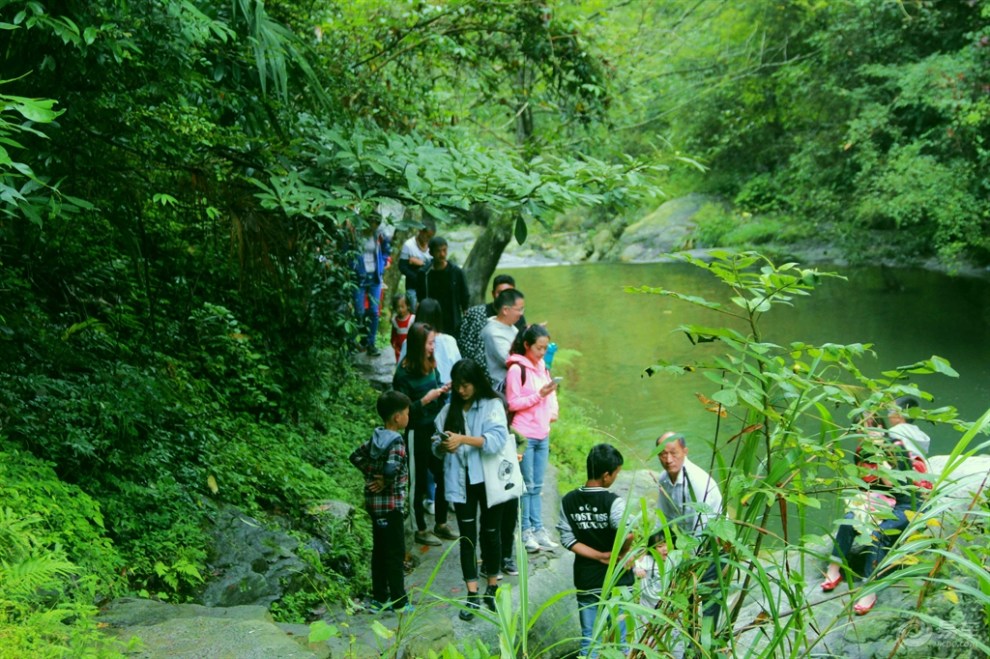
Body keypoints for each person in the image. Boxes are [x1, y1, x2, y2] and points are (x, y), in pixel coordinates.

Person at [433, 358, 511, 620]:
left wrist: (462, 439)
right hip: (461, 483)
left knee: (491, 533)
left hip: (489, 481)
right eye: (457, 386)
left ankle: (492, 585)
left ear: (476, 383)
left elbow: (496, 440)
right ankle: (472, 593)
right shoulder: (448, 410)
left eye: (466, 385)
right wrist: (443, 445)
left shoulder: (491, 405)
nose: (461, 391)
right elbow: (435, 444)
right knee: (467, 539)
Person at [821, 419, 919, 615]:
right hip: (879, 500)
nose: (869, 432)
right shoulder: (862, 450)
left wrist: (879, 457)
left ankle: (869, 587)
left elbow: (892, 484)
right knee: (849, 519)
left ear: (881, 427)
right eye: (862, 429)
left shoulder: (895, 448)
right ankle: (834, 569)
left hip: (904, 503)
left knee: (878, 532)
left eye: (872, 427)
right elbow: (864, 484)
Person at [558, 443, 634, 658]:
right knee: (621, 641)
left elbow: (568, 539)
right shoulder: (613, 502)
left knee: (589, 638)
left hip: (586, 579)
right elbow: (627, 534)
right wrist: (622, 553)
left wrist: (599, 556)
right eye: (617, 473)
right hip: (617, 580)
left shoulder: (568, 500)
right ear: (606, 475)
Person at [348, 390, 412, 612]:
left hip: (375, 507)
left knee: (379, 552)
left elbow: (354, 456)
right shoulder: (396, 441)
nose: (408, 416)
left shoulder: (376, 437)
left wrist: (369, 472)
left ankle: (379, 598)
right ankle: (399, 601)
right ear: (397, 417)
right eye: (406, 412)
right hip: (391, 506)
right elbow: (391, 468)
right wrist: (385, 480)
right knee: (395, 552)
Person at [654, 432, 724, 628]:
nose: (668, 459)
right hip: (685, 545)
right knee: (688, 601)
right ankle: (692, 642)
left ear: (685, 451)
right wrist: (660, 544)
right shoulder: (664, 479)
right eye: (663, 454)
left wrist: (684, 557)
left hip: (709, 545)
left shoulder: (697, 482)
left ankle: (707, 644)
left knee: (709, 599)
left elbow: (699, 526)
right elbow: (664, 518)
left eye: (674, 453)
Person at [393, 323, 454, 546]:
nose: (433, 347)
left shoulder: (431, 363)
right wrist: (425, 400)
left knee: (442, 475)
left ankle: (441, 522)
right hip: (416, 432)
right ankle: (419, 528)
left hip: (434, 430)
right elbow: (403, 412)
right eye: (430, 343)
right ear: (419, 345)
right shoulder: (403, 374)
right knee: (418, 482)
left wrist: (442, 390)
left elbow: (435, 385)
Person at [506, 323, 559, 553]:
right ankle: (525, 530)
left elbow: (551, 394)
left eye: (545, 348)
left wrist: (552, 411)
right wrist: (539, 395)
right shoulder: (518, 369)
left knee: (538, 486)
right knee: (526, 486)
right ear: (527, 345)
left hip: (542, 433)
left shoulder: (542, 368)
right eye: (539, 348)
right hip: (524, 434)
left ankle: (539, 529)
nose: (542, 353)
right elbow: (513, 403)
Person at [458, 274, 528, 373]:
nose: (504, 297)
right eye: (500, 293)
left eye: (509, 293)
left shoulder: (518, 318)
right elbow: (464, 347)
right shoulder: (476, 314)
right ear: (493, 293)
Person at [350, 217, 390, 356]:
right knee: (358, 311)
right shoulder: (355, 234)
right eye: (372, 223)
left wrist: (383, 264)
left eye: (376, 224)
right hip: (359, 276)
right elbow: (346, 252)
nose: (373, 226)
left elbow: (386, 250)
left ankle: (371, 343)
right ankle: (357, 341)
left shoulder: (379, 235)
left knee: (374, 312)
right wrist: (352, 267)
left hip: (375, 277)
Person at [415, 236, 469, 338]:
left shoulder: (456, 272)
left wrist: (465, 311)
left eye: (444, 250)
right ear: (431, 253)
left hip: (452, 319)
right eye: (438, 251)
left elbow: (464, 294)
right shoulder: (424, 273)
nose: (442, 254)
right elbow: (421, 297)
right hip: (431, 318)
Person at [398, 298, 461, 384]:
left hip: (417, 390)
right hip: (446, 389)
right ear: (439, 317)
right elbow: (459, 368)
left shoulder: (409, 341)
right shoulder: (449, 341)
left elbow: (401, 368)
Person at [481, 288, 525, 386]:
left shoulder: (511, 327)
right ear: (505, 310)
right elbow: (510, 361)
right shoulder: (494, 333)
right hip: (504, 385)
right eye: (519, 309)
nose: (522, 314)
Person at [398, 221, 435, 309]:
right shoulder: (409, 245)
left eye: (430, 237)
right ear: (421, 231)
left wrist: (421, 263)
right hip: (413, 287)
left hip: (429, 287)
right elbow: (402, 267)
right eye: (427, 236)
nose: (428, 239)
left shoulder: (432, 245)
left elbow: (434, 263)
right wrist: (417, 278)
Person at [390, 292, 415, 362]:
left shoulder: (412, 319)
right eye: (398, 307)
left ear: (408, 306)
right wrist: (394, 344)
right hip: (399, 350)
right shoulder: (395, 321)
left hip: (411, 349)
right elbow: (394, 335)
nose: (400, 309)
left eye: (402, 306)